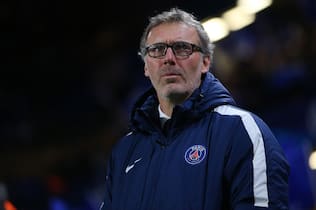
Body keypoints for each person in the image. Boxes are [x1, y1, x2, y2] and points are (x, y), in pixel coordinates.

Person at [100, 7, 289, 210]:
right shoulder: (124, 152)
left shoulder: (241, 130)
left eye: (182, 48)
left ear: (205, 62)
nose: (169, 58)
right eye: (157, 50)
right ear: (146, 66)